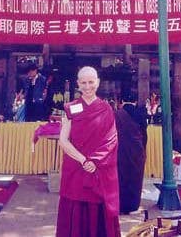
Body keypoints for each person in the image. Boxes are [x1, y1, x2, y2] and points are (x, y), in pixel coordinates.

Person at [56, 66, 121, 237]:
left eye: (91, 82)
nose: (87, 86)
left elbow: (111, 139)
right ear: (78, 84)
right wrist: (83, 160)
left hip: (98, 167)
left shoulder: (106, 109)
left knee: (97, 207)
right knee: (75, 204)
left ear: (98, 83)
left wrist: (94, 161)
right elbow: (63, 140)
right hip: (76, 167)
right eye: (83, 82)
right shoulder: (71, 108)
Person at [115, 94, 148, 214]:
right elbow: (144, 135)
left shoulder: (117, 114)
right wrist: (142, 151)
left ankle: (120, 205)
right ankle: (133, 206)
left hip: (120, 150)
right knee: (135, 179)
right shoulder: (140, 114)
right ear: (135, 101)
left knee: (121, 178)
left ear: (122, 100)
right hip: (137, 151)